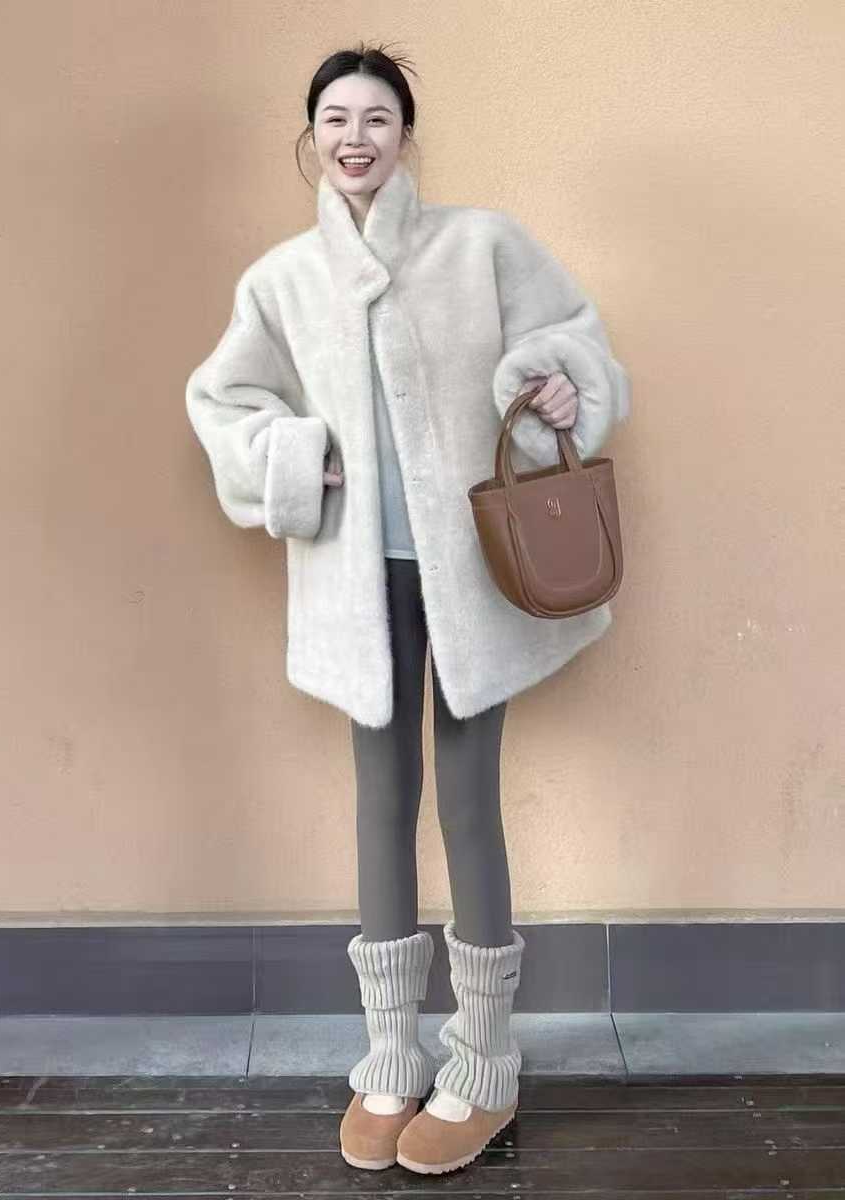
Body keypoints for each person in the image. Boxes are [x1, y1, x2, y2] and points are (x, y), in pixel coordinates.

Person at [185, 41, 630, 1176]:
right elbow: (225, 402)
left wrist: (558, 381)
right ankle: (388, 1055)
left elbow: (573, 338)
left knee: (470, 804)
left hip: (474, 577)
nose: (357, 137)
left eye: (377, 117)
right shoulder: (283, 279)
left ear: (405, 135)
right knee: (379, 803)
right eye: (337, 118)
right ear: (311, 137)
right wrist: (297, 460)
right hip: (359, 583)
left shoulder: (482, 245)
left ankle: (484, 1062)